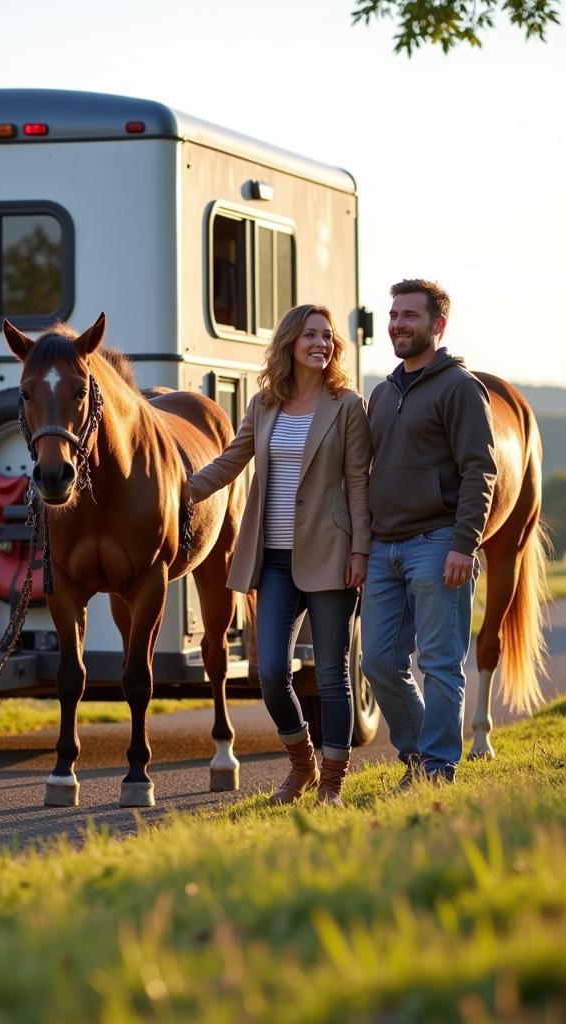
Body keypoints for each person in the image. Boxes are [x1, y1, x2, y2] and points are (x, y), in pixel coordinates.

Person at [187, 304, 371, 807]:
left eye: (327, 336)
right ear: (290, 342)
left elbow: (359, 483)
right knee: (270, 671)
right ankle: (302, 764)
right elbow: (231, 459)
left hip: (331, 555)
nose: (321, 343)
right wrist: (182, 492)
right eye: (310, 334)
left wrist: (361, 549)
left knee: (331, 675)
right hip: (272, 559)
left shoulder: (347, 405)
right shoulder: (265, 404)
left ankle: (331, 782)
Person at [362, 279, 496, 787]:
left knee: (441, 665)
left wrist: (465, 544)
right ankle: (420, 754)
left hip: (438, 545)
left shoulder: (459, 388)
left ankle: (438, 769)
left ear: (437, 325)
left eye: (409, 316)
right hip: (383, 549)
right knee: (378, 662)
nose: (397, 324)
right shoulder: (382, 391)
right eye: (393, 315)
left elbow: (480, 470)